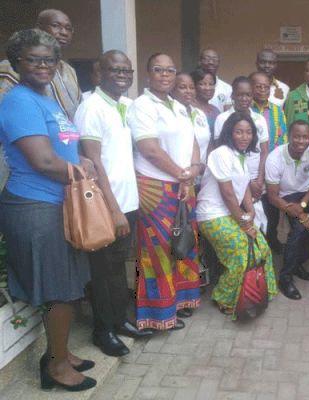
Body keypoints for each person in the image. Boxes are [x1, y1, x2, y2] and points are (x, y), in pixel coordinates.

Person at [0, 29, 96, 391]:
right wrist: (82, 171)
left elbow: (64, 148)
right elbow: (42, 161)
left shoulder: (48, 100)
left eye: (49, 60)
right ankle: (55, 367)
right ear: (17, 62)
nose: (43, 66)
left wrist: (82, 158)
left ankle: (60, 351)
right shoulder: (19, 101)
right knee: (60, 289)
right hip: (35, 205)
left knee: (69, 285)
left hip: (60, 203)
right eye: (34, 59)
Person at [76, 50, 152, 358]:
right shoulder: (91, 107)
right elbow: (93, 162)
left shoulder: (125, 106)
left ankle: (120, 320)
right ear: (99, 73)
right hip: (105, 206)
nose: (122, 74)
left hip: (127, 202)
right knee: (103, 270)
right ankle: (102, 330)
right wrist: (115, 209)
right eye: (115, 70)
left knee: (118, 267)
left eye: (127, 70)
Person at [127, 53, 202, 331]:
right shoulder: (142, 106)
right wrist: (182, 174)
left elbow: (192, 139)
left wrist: (193, 169)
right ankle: (157, 315)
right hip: (155, 187)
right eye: (158, 70)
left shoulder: (178, 105)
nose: (165, 75)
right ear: (148, 74)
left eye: (170, 70)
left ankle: (179, 302)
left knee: (183, 244)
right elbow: (149, 149)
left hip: (183, 185)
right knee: (157, 250)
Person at [196, 112, 278, 316]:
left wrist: (250, 210)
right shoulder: (221, 153)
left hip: (232, 213)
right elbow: (227, 193)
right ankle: (225, 297)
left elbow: (245, 188)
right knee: (242, 253)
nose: (244, 136)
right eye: (239, 132)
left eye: (249, 132)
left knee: (263, 248)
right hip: (213, 215)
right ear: (229, 133)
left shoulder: (240, 155)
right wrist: (244, 222)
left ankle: (258, 291)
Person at [266, 120, 309, 299]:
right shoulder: (274, 158)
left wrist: (302, 205)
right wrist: (291, 209)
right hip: (286, 195)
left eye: (305, 137)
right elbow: (272, 195)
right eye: (297, 137)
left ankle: (298, 263)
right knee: (299, 230)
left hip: (308, 194)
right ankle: (285, 278)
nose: (301, 141)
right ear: (289, 137)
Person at [0, 9, 81, 119]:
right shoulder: (12, 66)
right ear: (38, 28)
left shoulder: (69, 70)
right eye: (56, 25)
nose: (63, 32)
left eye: (68, 28)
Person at [214, 76, 269, 231]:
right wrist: (247, 181)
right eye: (240, 94)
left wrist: (259, 179)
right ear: (232, 95)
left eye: (248, 95)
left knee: (257, 222)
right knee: (236, 220)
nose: (244, 98)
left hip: (257, 180)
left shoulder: (259, 119)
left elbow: (264, 151)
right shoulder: (222, 119)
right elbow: (222, 151)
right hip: (234, 179)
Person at [250, 71, 288, 251]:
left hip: (272, 166)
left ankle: (271, 239)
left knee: (272, 206)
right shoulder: (245, 109)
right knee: (252, 206)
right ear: (251, 87)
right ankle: (256, 242)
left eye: (266, 86)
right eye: (258, 86)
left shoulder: (277, 110)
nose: (263, 90)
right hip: (251, 167)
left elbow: (283, 138)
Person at [171, 72, 211, 171]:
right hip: (178, 173)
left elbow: (208, 143)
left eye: (192, 87)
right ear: (172, 90)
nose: (188, 91)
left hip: (200, 174)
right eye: (183, 87)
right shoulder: (168, 113)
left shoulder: (200, 114)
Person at [191, 68, 220, 136]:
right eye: (202, 84)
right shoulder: (189, 109)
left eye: (211, 84)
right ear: (193, 86)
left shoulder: (216, 110)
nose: (208, 88)